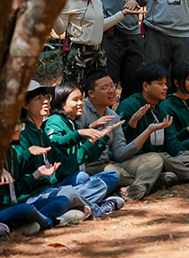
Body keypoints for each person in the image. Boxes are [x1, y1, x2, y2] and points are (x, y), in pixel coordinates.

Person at [18, 81, 120, 218]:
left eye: (46, 97)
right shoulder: (23, 132)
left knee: (108, 177)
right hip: (34, 196)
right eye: (38, 98)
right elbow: (58, 143)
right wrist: (80, 134)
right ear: (25, 105)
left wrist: (99, 138)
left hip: (52, 189)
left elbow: (65, 164)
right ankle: (93, 208)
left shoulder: (40, 132)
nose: (45, 102)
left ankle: (78, 206)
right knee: (66, 196)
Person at [117, 63, 189, 184]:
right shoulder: (129, 106)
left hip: (164, 158)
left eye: (165, 83)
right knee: (158, 158)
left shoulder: (161, 111)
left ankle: (162, 176)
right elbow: (122, 148)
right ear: (145, 86)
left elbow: (173, 148)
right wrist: (133, 123)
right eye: (160, 84)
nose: (165, 88)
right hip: (136, 161)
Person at [77, 69, 171, 201]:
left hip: (111, 163)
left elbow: (120, 154)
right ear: (91, 93)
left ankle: (137, 188)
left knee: (154, 159)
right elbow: (74, 145)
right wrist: (91, 129)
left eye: (112, 86)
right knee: (114, 172)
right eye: (105, 88)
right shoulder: (81, 111)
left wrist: (148, 130)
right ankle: (151, 182)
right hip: (88, 167)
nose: (111, 91)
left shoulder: (113, 116)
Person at [0, 120, 88, 239]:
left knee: (63, 199)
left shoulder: (12, 153)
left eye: (19, 124)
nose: (18, 128)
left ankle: (17, 226)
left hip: (12, 207)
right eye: (12, 124)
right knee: (26, 209)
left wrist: (37, 174)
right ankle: (51, 222)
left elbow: (17, 189)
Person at [55, 0, 143, 87]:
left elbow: (99, 26)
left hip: (97, 52)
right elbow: (59, 30)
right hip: (78, 54)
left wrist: (123, 14)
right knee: (75, 93)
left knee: (96, 94)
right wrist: (53, 11)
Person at [45, 82, 125, 214]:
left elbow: (88, 156)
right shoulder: (55, 120)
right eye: (75, 100)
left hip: (75, 176)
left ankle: (82, 204)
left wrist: (104, 135)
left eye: (81, 99)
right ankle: (96, 207)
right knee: (82, 177)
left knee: (112, 176)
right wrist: (81, 133)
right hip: (61, 179)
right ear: (61, 103)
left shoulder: (72, 123)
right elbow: (56, 142)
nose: (80, 103)